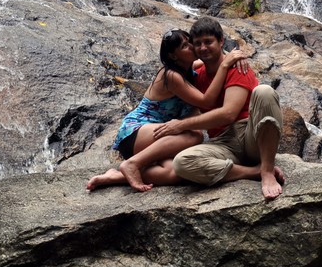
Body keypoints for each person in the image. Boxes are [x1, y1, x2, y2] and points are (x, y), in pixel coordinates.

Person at [86, 29, 246, 192]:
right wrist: (226, 65)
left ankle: (116, 176)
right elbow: (207, 101)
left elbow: (214, 59)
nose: (192, 47)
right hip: (136, 132)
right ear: (173, 56)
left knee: (174, 172)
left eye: (190, 42)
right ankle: (133, 164)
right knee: (194, 136)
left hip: (161, 135)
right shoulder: (171, 76)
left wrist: (237, 56)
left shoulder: (190, 67)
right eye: (185, 46)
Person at [155, 17, 285, 199]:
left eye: (208, 42)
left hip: (251, 135)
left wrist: (181, 125)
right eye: (197, 44)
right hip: (223, 144)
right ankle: (253, 172)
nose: (203, 48)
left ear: (221, 41)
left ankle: (267, 171)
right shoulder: (196, 74)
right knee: (182, 163)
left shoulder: (238, 67)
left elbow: (228, 114)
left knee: (264, 91)